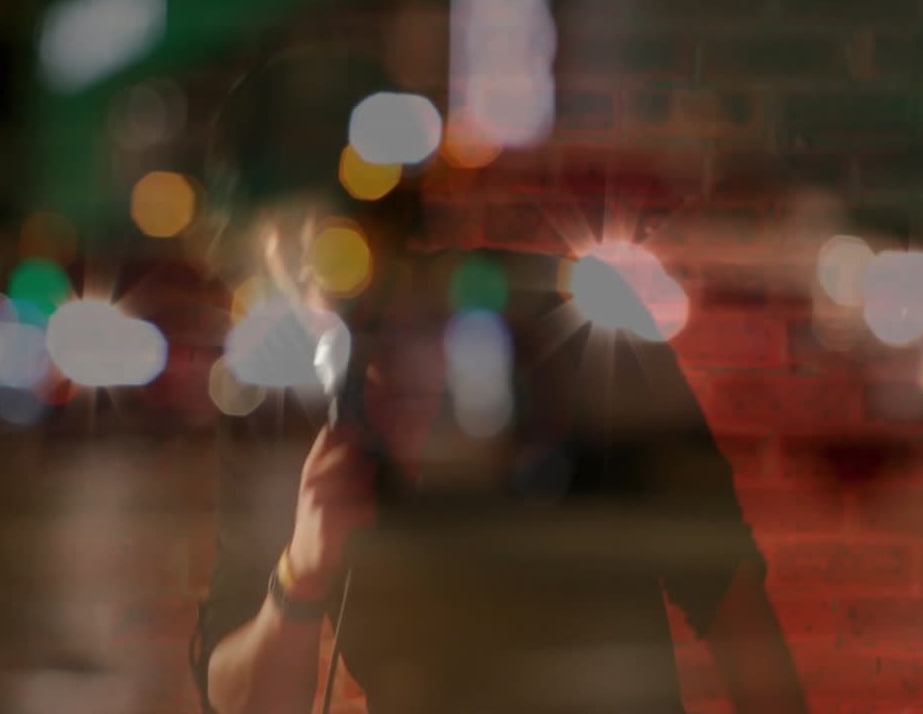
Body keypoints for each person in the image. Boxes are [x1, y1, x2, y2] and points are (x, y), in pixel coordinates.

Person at [189, 44, 808, 714]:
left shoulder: (571, 344)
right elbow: (239, 699)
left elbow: (739, 623)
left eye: (352, 226)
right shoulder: (275, 406)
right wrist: (300, 577)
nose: (326, 263)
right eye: (288, 233)